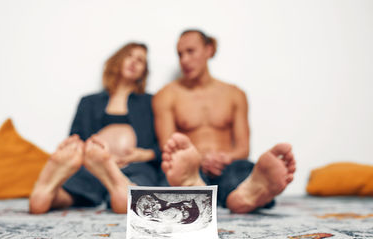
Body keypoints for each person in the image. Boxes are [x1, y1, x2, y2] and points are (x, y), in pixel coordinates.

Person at [152, 30, 296, 213]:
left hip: (228, 166)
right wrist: (199, 159)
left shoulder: (235, 94)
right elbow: (168, 145)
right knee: (170, 178)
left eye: (190, 51)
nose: (184, 60)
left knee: (241, 171)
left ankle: (245, 194)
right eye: (180, 54)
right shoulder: (166, 95)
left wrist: (226, 158)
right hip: (191, 167)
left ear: (209, 50)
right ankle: (201, 187)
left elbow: (243, 148)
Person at [30, 42, 164, 214]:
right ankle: (49, 194)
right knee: (78, 185)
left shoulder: (151, 102)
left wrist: (144, 154)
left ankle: (122, 188)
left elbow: (164, 142)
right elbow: (75, 137)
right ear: (117, 60)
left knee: (141, 180)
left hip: (135, 164)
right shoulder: (89, 102)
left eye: (140, 60)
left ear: (144, 72)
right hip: (93, 166)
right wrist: (93, 156)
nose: (133, 62)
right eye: (129, 56)